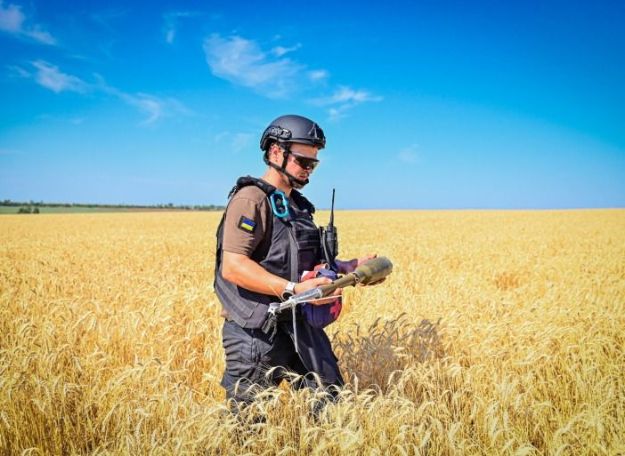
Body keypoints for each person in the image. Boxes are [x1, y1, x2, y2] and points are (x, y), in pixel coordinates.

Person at [214, 114, 375, 410]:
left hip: (300, 325)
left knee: (329, 407)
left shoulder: (297, 206)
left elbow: (301, 263)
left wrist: (347, 267)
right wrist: (293, 289)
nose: (309, 171)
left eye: (313, 164)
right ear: (276, 151)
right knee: (248, 423)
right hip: (257, 331)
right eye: (303, 162)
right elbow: (234, 265)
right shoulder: (251, 200)